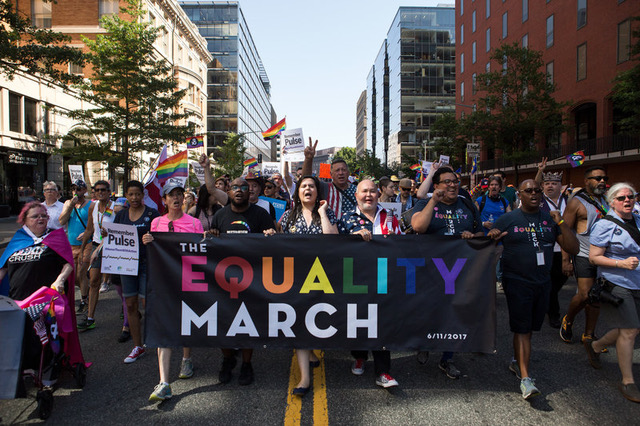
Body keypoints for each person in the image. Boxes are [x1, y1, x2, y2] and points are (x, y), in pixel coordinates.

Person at [488, 180, 578, 400]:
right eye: (529, 191)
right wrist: (492, 238)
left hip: (542, 282)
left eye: (537, 191)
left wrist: (562, 222)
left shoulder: (549, 219)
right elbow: (487, 248)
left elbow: (573, 248)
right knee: (523, 329)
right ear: (519, 194)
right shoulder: (508, 219)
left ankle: (518, 361)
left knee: (530, 327)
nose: (534, 194)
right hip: (516, 281)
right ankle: (526, 379)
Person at [411, 166, 483, 379]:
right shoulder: (425, 203)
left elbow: (480, 232)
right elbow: (418, 227)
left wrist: (474, 235)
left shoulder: (468, 205)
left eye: (455, 181)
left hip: (459, 271)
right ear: (437, 186)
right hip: (431, 271)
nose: (452, 185)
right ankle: (424, 342)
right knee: (430, 311)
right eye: (447, 182)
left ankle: (447, 358)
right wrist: (434, 201)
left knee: (454, 313)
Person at [0, 202, 85, 379]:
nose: (40, 218)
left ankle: (48, 368)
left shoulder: (55, 238)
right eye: (35, 216)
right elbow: (3, 267)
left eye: (43, 216)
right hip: (18, 298)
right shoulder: (18, 240)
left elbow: (68, 263)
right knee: (20, 335)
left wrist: (60, 280)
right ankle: (26, 368)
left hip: (46, 298)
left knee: (44, 334)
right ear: (24, 220)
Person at [208, 177, 276, 387]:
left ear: (250, 192)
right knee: (223, 323)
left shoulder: (261, 214)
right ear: (229, 192)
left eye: (243, 188)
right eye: (235, 187)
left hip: (252, 280)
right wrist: (212, 235)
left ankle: (247, 364)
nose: (239, 191)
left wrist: (271, 235)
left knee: (248, 324)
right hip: (224, 280)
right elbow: (211, 244)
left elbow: (274, 243)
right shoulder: (220, 215)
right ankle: (228, 359)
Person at [338, 179, 402, 388]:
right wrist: (351, 238)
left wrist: (396, 239)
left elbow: (403, 245)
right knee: (358, 320)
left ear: (378, 194)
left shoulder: (390, 216)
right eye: (364, 192)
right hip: (356, 280)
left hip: (383, 279)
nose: (368, 195)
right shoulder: (347, 218)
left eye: (372, 191)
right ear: (356, 195)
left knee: (381, 323)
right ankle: (359, 355)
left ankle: (383, 371)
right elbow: (333, 247)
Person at [144, 182, 204, 402]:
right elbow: (153, 251)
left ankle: (186, 358)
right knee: (164, 327)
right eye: (172, 195)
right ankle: (164, 382)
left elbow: (202, 249)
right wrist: (147, 241)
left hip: (188, 280)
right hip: (164, 282)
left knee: (185, 321)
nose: (177, 198)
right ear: (164, 200)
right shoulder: (156, 222)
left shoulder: (195, 223)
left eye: (180, 194)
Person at [279, 175, 337, 396]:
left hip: (323, 278)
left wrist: (322, 213)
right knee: (299, 323)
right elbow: (279, 244)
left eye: (312, 186)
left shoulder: (327, 213)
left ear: (317, 192)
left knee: (318, 319)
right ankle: (304, 378)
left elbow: (333, 239)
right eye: (303, 186)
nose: (307, 189)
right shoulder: (288, 216)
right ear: (298, 192)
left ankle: (312, 352)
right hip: (296, 279)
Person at [585, 183, 640, 403]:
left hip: (638, 282)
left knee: (631, 329)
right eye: (621, 198)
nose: (627, 200)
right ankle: (628, 381)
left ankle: (596, 346)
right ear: (611, 202)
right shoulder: (604, 225)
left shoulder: (637, 220)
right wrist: (621, 263)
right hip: (616, 282)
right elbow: (593, 257)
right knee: (629, 330)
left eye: (631, 196)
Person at [560, 166, 610, 344]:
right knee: (585, 294)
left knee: (596, 296)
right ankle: (569, 319)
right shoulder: (576, 202)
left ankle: (589, 334)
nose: (602, 181)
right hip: (583, 254)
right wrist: (565, 260)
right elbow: (564, 231)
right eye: (597, 178)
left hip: (604, 257)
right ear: (586, 181)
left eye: (604, 178)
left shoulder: (608, 201)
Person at [113, 181, 160, 364]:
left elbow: (162, 237)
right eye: (130, 194)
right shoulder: (121, 215)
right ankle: (138, 345)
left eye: (137, 194)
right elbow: (113, 238)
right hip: (126, 266)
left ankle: (155, 339)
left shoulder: (152, 214)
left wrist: (153, 238)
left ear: (143, 195)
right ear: (126, 195)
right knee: (130, 305)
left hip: (147, 265)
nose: (134, 198)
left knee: (147, 303)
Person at [77, 180, 115, 331]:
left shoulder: (115, 208)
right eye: (97, 190)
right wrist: (81, 250)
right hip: (96, 246)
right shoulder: (93, 206)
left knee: (119, 282)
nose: (100, 192)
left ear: (109, 192)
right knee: (93, 281)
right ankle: (90, 317)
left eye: (103, 190)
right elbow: (89, 229)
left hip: (112, 246)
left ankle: (126, 312)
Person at [537, 167, 571, 328]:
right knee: (549, 282)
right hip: (546, 248)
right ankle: (554, 314)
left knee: (558, 280)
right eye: (547, 183)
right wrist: (539, 171)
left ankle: (546, 302)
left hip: (566, 248)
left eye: (554, 183)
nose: (550, 186)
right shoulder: (538, 201)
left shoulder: (569, 201)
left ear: (561, 186)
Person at [301, 138, 357, 219]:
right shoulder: (324, 188)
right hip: (331, 230)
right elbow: (305, 179)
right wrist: (308, 159)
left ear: (348, 173)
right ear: (331, 174)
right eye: (337, 170)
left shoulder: (357, 190)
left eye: (343, 170)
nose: (341, 173)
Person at [58, 179, 92, 313]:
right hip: (71, 245)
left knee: (81, 273)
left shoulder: (90, 205)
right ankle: (86, 291)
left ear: (84, 190)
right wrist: (70, 206)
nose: (75, 192)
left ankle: (84, 300)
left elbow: (94, 224)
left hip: (86, 244)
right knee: (74, 276)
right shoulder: (67, 203)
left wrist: (87, 232)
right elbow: (62, 221)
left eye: (78, 189)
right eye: (73, 189)